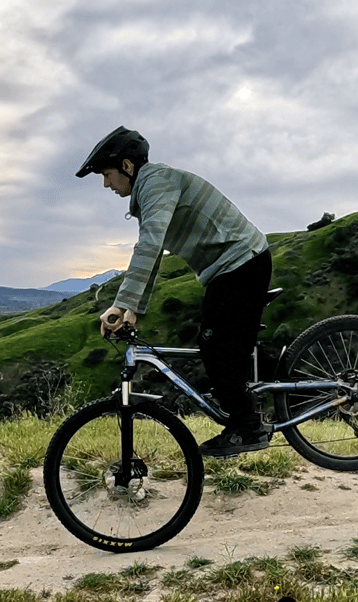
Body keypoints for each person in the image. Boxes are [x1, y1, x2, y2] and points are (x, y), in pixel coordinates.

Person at [76, 126, 273, 457]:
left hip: (240, 263)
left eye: (107, 174)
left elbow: (149, 244)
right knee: (222, 346)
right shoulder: (151, 190)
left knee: (215, 345)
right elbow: (153, 256)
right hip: (232, 267)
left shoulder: (157, 183)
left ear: (127, 166)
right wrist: (131, 309)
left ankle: (248, 427)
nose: (106, 184)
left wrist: (121, 303)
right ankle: (251, 404)